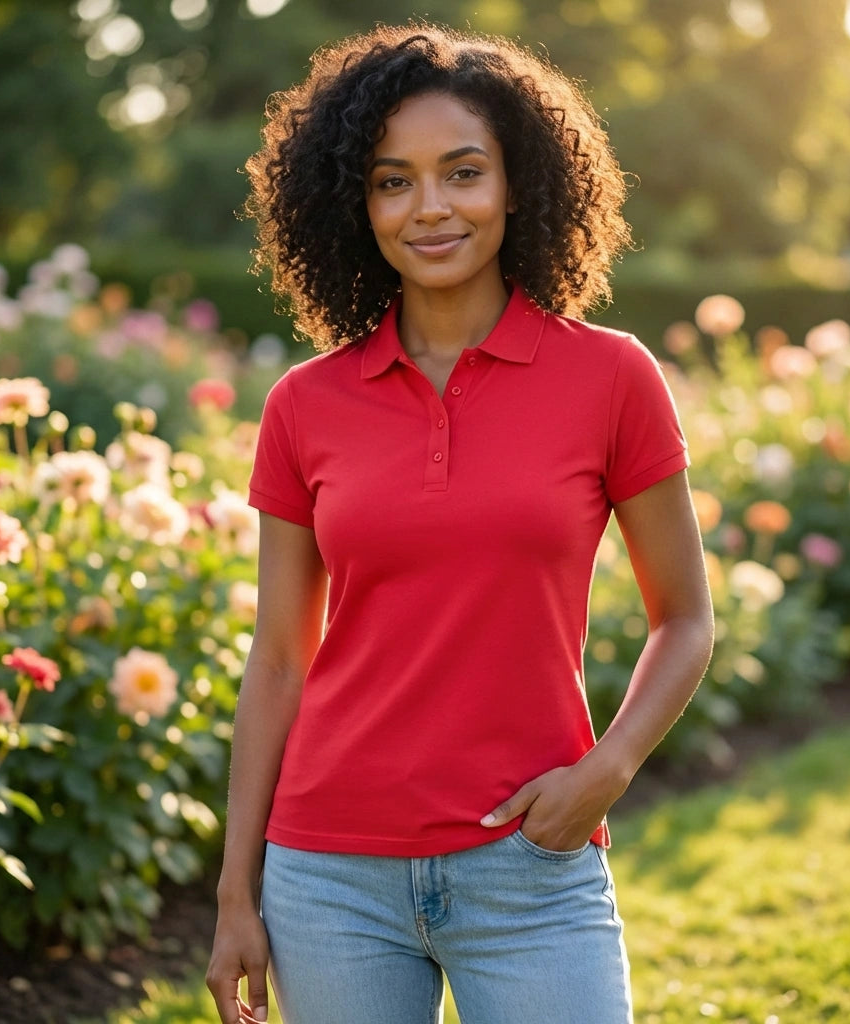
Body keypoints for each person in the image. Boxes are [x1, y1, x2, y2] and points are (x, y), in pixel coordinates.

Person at [206, 22, 714, 1024]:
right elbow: (278, 658)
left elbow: (685, 619)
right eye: (392, 181)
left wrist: (604, 773)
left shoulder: (611, 376)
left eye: (463, 172)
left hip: (530, 863)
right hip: (328, 876)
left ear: (517, 184)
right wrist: (234, 895)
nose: (430, 207)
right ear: (356, 204)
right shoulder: (305, 404)